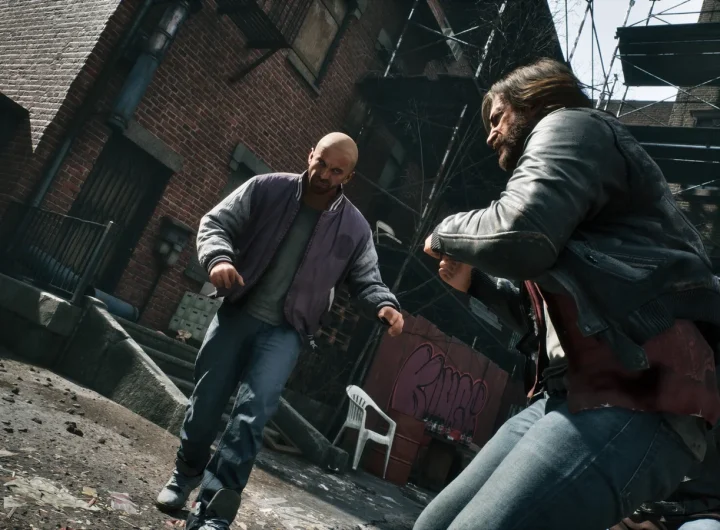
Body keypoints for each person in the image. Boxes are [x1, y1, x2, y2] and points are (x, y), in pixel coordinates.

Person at [415, 58, 720, 530]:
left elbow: (520, 232)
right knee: (434, 524)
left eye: (497, 118)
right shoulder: (575, 197)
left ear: (534, 99)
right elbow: (561, 322)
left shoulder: (571, 125)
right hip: (566, 392)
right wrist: (475, 284)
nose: (491, 135)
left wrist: (444, 230)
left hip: (640, 392)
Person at [155, 132, 404, 530]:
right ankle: (185, 475)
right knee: (204, 405)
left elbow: (367, 278)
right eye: (320, 163)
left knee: (251, 418)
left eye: (336, 171)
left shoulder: (355, 228)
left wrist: (385, 305)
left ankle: (214, 510)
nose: (324, 175)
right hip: (237, 314)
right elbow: (216, 223)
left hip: (287, 333)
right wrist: (219, 259)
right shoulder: (267, 188)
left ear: (349, 177)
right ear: (310, 155)